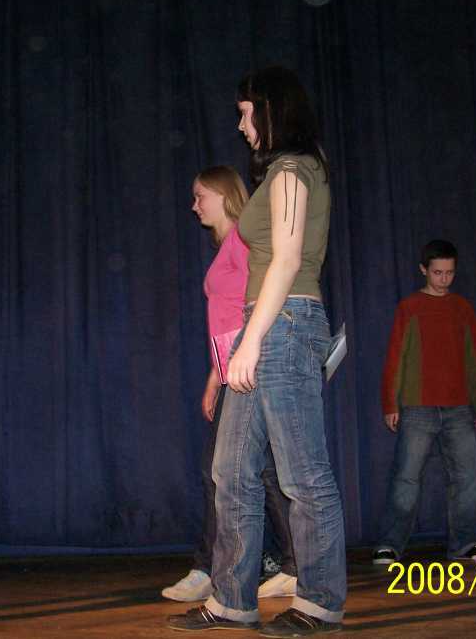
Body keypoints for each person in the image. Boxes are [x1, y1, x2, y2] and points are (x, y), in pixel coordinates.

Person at [168, 66, 345, 636]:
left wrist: (252, 341)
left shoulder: (292, 170)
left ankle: (319, 603)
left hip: (284, 323)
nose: (242, 127)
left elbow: (287, 261)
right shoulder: (280, 174)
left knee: (303, 474)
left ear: (271, 110)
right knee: (230, 470)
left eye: (246, 114)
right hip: (269, 323)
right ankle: (232, 599)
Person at [162, 166, 298, 603]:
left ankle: (212, 568)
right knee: (257, 471)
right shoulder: (227, 246)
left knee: (223, 471)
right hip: (233, 370)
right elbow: (226, 320)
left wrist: (237, 366)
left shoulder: (242, 239)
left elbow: (253, 306)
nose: (194, 205)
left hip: (249, 368)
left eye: (200, 195)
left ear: (223, 194)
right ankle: (288, 564)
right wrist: (214, 377)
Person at [372, 240, 476, 566]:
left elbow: (475, 357)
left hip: (459, 407)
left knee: (467, 478)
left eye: (449, 273)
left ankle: (465, 543)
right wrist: (391, 403)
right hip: (418, 406)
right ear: (424, 270)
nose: (444, 279)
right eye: (438, 272)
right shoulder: (410, 307)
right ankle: (390, 544)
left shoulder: (462, 308)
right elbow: (396, 356)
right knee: (406, 477)